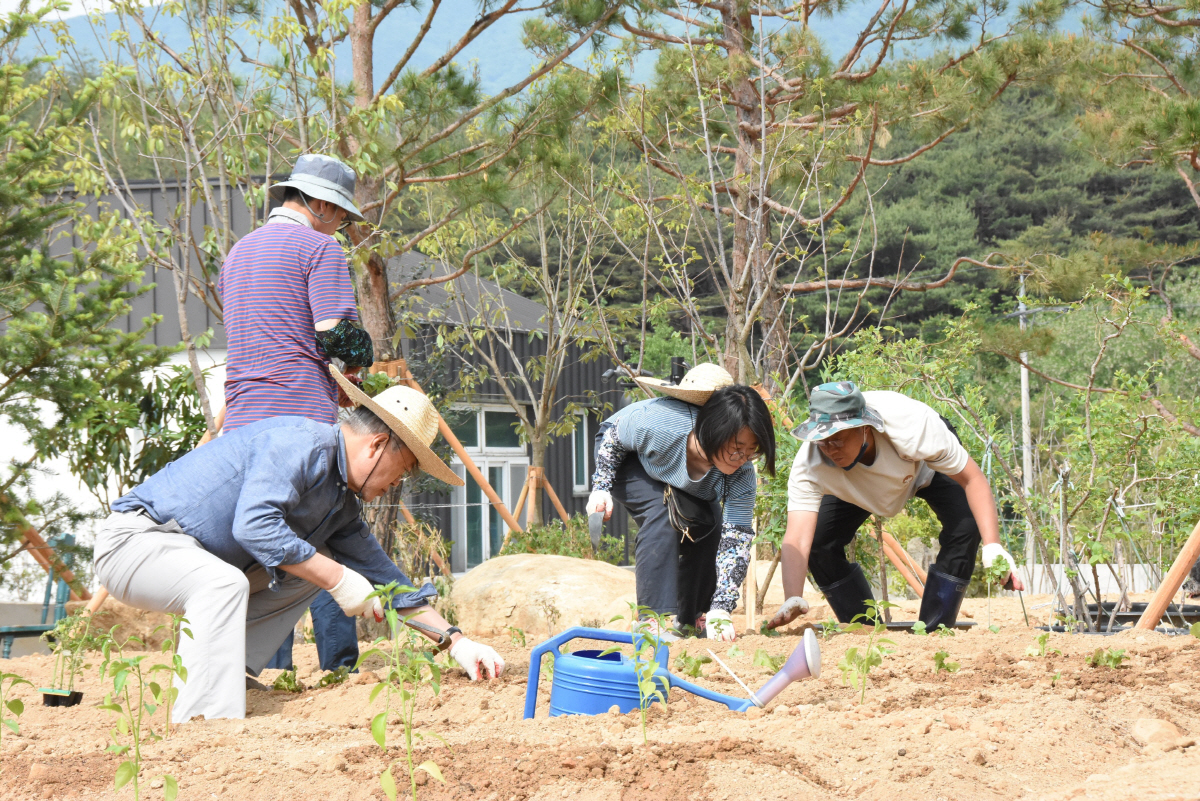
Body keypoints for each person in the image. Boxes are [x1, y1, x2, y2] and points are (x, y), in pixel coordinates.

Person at [95, 367, 504, 724]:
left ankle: (224, 675)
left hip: (194, 561)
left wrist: (456, 642)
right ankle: (205, 718)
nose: (393, 486)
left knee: (312, 568)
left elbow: (386, 581)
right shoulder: (298, 443)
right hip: (138, 543)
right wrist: (339, 577)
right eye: (400, 473)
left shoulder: (340, 500)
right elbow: (253, 526)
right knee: (267, 577)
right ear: (377, 446)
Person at [217, 154, 376, 674]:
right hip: (300, 418)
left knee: (263, 542)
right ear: (321, 205)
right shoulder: (319, 248)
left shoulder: (238, 253)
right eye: (344, 217)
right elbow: (335, 333)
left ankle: (261, 668)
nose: (344, 228)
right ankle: (339, 667)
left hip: (241, 424)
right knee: (323, 533)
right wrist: (359, 359)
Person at [766, 381, 1024, 633]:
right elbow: (798, 538)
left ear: (865, 428)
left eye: (838, 439)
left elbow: (973, 479)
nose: (830, 449)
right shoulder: (810, 463)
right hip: (858, 482)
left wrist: (993, 547)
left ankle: (934, 630)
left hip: (924, 467)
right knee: (821, 543)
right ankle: (864, 629)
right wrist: (793, 598)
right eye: (822, 441)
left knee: (966, 526)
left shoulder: (915, 426)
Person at [587, 364, 776, 641]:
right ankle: (654, 620)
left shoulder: (742, 473)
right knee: (663, 515)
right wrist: (600, 487)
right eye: (736, 449)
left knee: (710, 524)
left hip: (674, 473)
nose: (742, 459)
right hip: (626, 457)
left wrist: (721, 608)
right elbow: (613, 440)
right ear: (713, 430)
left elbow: (736, 538)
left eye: (751, 452)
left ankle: (693, 617)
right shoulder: (658, 424)